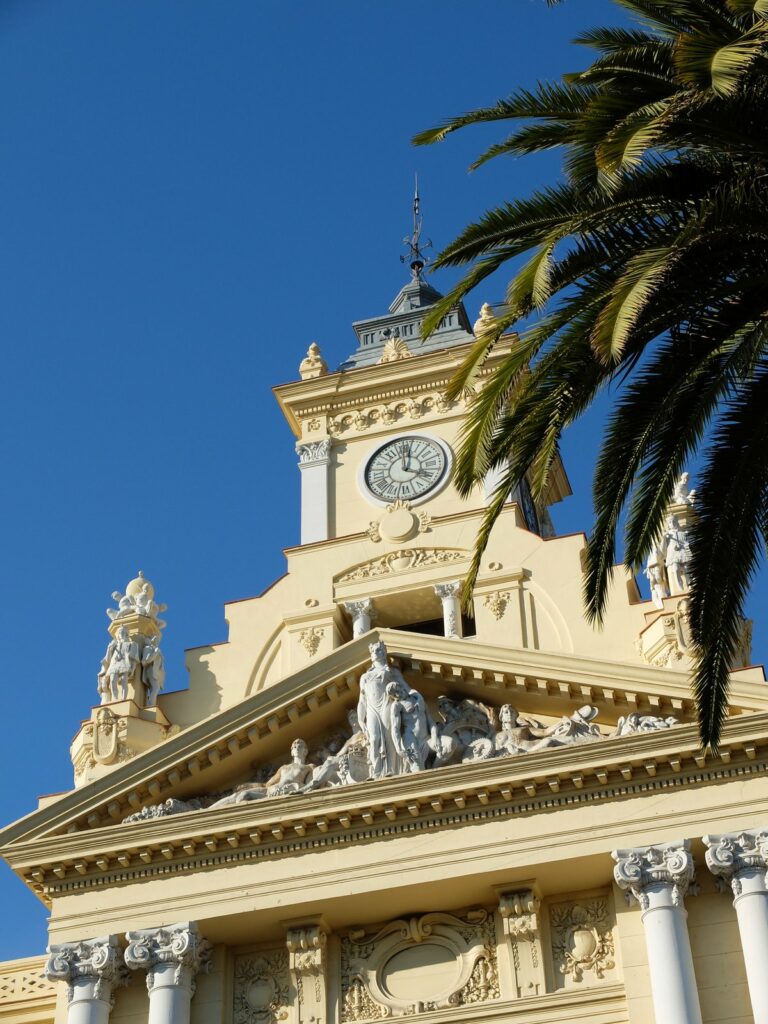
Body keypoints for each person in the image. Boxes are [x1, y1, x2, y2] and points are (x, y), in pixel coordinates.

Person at [357, 641, 404, 778]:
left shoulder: (391, 672)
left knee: (389, 736)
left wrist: (416, 697)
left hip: (386, 705)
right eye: (373, 651)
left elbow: (405, 689)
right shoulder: (365, 677)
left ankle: (391, 769)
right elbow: (362, 700)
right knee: (374, 739)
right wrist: (361, 719)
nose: (375, 653)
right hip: (372, 709)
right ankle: (376, 772)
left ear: (383, 653)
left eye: (378, 650)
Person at [387, 678, 434, 773]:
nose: (397, 695)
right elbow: (395, 728)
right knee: (418, 769)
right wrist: (398, 747)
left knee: (449, 746)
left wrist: (435, 735)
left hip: (426, 738)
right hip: (410, 739)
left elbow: (430, 721)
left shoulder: (417, 697)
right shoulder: (397, 706)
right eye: (394, 695)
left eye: (397, 691)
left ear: (401, 687)